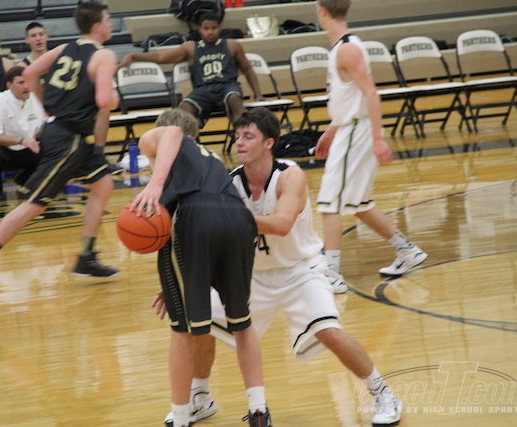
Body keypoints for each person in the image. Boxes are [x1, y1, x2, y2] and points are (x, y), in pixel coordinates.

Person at [155, 107, 403, 426]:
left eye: (248, 136)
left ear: (268, 143)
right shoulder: (228, 182)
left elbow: (282, 223)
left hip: (301, 271)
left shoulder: (290, 175)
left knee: (330, 333)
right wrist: (182, 281)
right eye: (237, 136)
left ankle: (382, 393)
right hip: (252, 276)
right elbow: (212, 238)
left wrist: (229, 216)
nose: (239, 142)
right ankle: (200, 397)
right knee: (199, 327)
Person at [0, 2, 120, 301]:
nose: (111, 24)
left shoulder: (65, 49)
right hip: (69, 140)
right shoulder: (104, 55)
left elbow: (31, 71)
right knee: (36, 203)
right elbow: (103, 101)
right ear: (98, 25)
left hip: (67, 132)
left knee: (103, 184)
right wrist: (113, 94)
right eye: (108, 19)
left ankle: (86, 255)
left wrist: (46, 107)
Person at [132, 108, 272, 427]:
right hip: (239, 219)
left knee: (182, 330)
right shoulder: (209, 158)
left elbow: (172, 133)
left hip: (194, 218)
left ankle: (182, 417)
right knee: (242, 323)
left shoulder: (164, 137)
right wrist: (176, 285)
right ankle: (259, 410)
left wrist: (154, 185)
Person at [314, 0, 427, 292]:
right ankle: (407, 250)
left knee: (329, 202)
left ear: (322, 12)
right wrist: (331, 131)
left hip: (357, 130)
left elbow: (371, 94)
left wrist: (378, 138)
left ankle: (332, 274)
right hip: (349, 128)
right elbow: (349, 98)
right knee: (359, 203)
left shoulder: (347, 49)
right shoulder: (344, 47)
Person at [117, 12, 265, 126]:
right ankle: (192, 137)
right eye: (206, 28)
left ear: (219, 28)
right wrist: (133, 55)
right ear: (200, 29)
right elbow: (161, 58)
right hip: (203, 89)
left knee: (234, 100)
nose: (210, 32)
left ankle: (245, 131)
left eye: (213, 28)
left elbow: (247, 69)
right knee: (183, 108)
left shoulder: (232, 45)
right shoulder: (191, 48)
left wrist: (258, 94)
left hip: (227, 85)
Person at [0, 66, 45, 200]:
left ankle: (25, 179)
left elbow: (43, 127)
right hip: (3, 149)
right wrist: (22, 140)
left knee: (53, 147)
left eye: (28, 82)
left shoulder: (36, 99)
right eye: (21, 83)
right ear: (9, 85)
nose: (26, 86)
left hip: (27, 148)